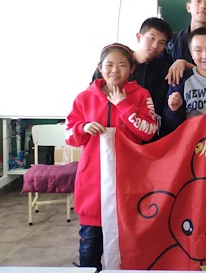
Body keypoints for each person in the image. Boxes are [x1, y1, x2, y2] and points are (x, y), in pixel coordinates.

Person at [66, 43, 157, 271]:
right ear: (100, 67)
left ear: (131, 69)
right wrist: (82, 128)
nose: (115, 70)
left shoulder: (141, 95)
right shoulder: (84, 98)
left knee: (129, 250)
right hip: (93, 186)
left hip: (129, 183)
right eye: (109, 65)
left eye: (122, 65)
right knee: (89, 249)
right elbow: (69, 135)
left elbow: (148, 131)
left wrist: (123, 105)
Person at [92, 17, 173, 141]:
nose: (155, 45)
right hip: (113, 134)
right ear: (139, 37)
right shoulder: (113, 64)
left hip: (149, 135)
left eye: (162, 42)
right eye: (151, 38)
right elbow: (94, 97)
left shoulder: (166, 69)